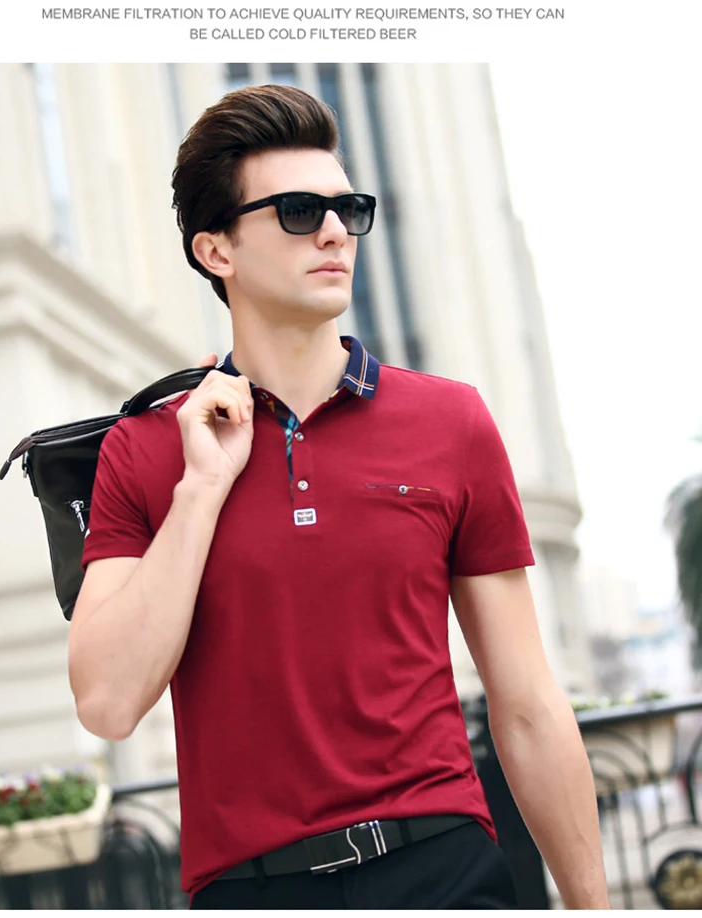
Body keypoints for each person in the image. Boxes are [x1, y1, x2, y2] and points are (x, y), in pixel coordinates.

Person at [67, 84, 609, 909]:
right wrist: (201, 489)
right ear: (216, 251)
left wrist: (592, 906)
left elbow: (529, 703)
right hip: (254, 891)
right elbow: (107, 704)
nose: (333, 232)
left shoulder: (451, 421)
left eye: (347, 209)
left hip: (446, 872)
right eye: (296, 211)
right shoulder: (145, 450)